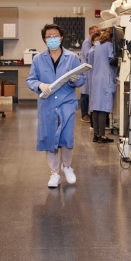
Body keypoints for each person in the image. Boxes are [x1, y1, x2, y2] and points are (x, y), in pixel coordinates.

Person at [26, 23, 86, 188]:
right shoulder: (38, 59)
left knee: (67, 137)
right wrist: (39, 85)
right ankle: (54, 174)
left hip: (67, 102)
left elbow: (82, 80)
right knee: (50, 138)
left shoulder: (72, 58)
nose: (52, 39)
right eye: (48, 36)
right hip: (47, 104)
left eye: (55, 36)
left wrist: (76, 80)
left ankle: (66, 166)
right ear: (44, 39)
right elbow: (30, 79)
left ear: (61, 38)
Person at [88, 28, 117, 143]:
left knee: (96, 108)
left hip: (95, 78)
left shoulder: (97, 45)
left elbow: (90, 58)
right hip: (105, 78)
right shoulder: (109, 45)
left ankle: (96, 135)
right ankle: (102, 136)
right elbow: (112, 59)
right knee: (103, 108)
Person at [79, 25, 98, 122]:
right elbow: (88, 55)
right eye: (96, 32)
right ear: (91, 33)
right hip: (86, 70)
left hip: (91, 70)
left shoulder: (92, 42)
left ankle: (90, 113)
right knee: (85, 93)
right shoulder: (87, 43)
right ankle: (84, 115)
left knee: (89, 92)